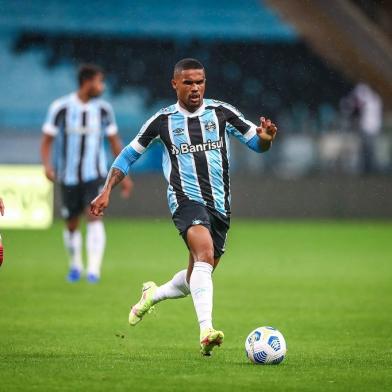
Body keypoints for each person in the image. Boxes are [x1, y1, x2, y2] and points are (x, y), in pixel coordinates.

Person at [90, 58, 277, 355]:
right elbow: (127, 156)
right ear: (174, 84)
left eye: (200, 82)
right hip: (185, 200)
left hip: (220, 205)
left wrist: (267, 139)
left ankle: (152, 294)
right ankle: (206, 331)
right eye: (188, 82)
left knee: (196, 277)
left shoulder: (221, 112)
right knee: (203, 254)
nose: (195, 88)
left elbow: (258, 143)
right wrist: (106, 191)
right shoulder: (162, 121)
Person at [41, 64, 133, 283]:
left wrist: (125, 175)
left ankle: (93, 270)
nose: (102, 86)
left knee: (94, 217)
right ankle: (75, 265)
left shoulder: (103, 110)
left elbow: (114, 142)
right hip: (68, 175)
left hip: (95, 174)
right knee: (71, 223)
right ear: (87, 82)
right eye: (99, 81)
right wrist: (47, 165)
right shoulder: (61, 108)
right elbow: (47, 141)